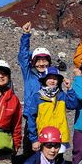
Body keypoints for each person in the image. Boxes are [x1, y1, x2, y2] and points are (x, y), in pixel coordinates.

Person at [17, 21, 56, 156]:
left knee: (49, 146)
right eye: (38, 61)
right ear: (33, 62)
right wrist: (25, 35)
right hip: (31, 115)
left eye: (45, 60)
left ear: (49, 62)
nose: (41, 64)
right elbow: (23, 57)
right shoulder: (29, 74)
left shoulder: (53, 77)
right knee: (30, 147)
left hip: (48, 115)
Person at [26, 68, 77, 156]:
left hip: (60, 136)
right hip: (44, 136)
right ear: (44, 80)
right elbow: (31, 118)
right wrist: (34, 139)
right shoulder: (37, 96)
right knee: (43, 160)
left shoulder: (61, 95)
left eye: (55, 78)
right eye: (49, 78)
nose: (52, 81)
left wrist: (70, 89)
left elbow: (73, 105)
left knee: (59, 160)